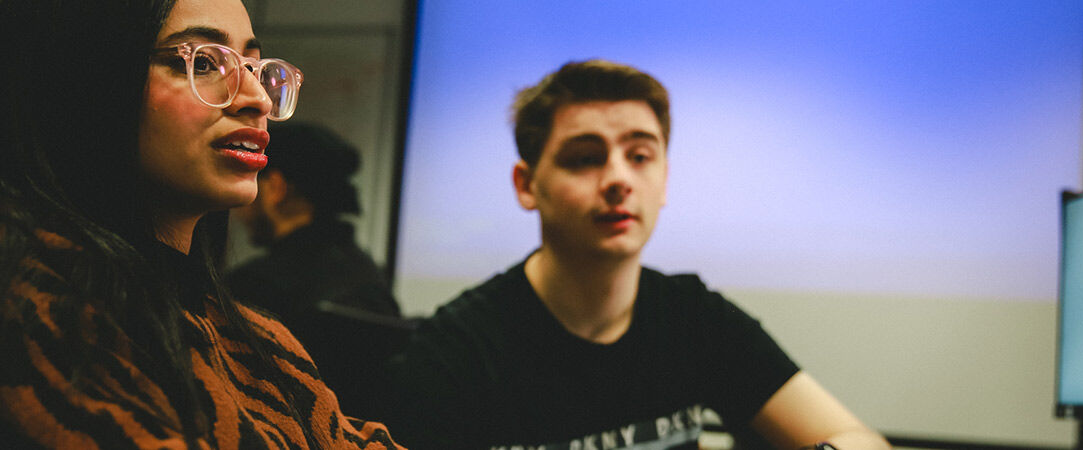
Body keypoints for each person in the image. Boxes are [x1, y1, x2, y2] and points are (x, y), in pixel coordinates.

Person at [384, 60, 890, 449]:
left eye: (640, 156)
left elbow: (858, 438)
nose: (619, 180)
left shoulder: (694, 317)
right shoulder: (456, 355)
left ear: (664, 179)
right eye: (585, 158)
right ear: (527, 184)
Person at [0, 0, 403, 448]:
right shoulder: (40, 315)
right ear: (90, 79)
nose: (258, 99)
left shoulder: (259, 340)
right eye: (205, 62)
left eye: (254, 68)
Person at [228, 122, 408, 419]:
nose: (240, 208)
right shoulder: (372, 279)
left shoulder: (252, 289)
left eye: (250, 177)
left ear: (276, 188)